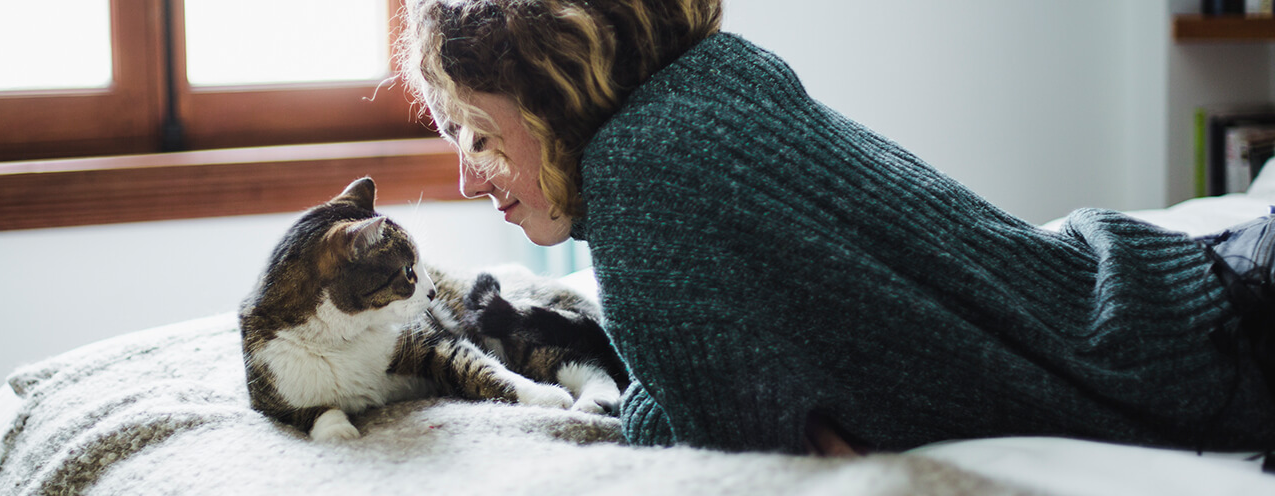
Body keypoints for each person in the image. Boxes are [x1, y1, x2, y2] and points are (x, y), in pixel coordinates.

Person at [397, 0, 1275, 460]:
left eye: (479, 137)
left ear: (552, 96)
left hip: (1220, 339)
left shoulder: (637, 178)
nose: (472, 178)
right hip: (1183, 285)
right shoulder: (712, 80)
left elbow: (716, 442)